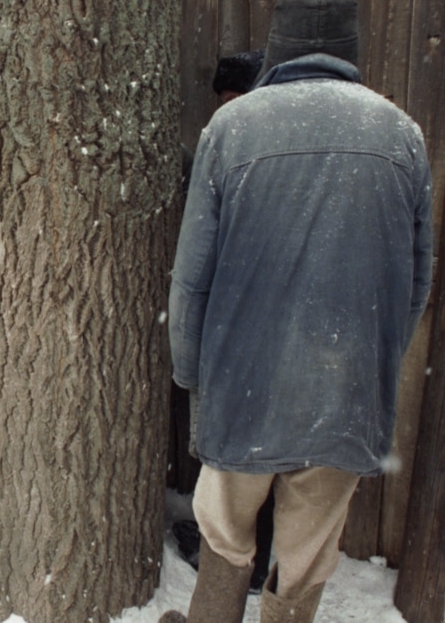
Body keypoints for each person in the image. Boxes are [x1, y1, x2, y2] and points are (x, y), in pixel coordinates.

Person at [161, 0, 433, 623]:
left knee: (224, 535)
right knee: (309, 550)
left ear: (279, 46)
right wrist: (372, 369)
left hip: (242, 384)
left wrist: (190, 371)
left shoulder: (230, 126)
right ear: (351, 46)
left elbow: (192, 275)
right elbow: (416, 281)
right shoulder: (401, 133)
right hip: (345, 395)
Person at [171, 49, 275, 596]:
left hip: (240, 335)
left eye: (236, 99)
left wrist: (189, 365)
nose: (227, 111)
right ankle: (249, 565)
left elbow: (198, 265)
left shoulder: (236, 155)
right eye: (223, 101)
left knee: (240, 468)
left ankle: (244, 570)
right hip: (255, 333)